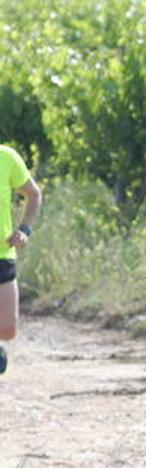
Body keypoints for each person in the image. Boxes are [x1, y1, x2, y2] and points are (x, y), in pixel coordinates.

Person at [1, 143, 42, 375]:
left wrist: (25, 229)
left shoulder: (6, 157)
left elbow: (34, 195)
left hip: (2, 253)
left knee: (7, 329)